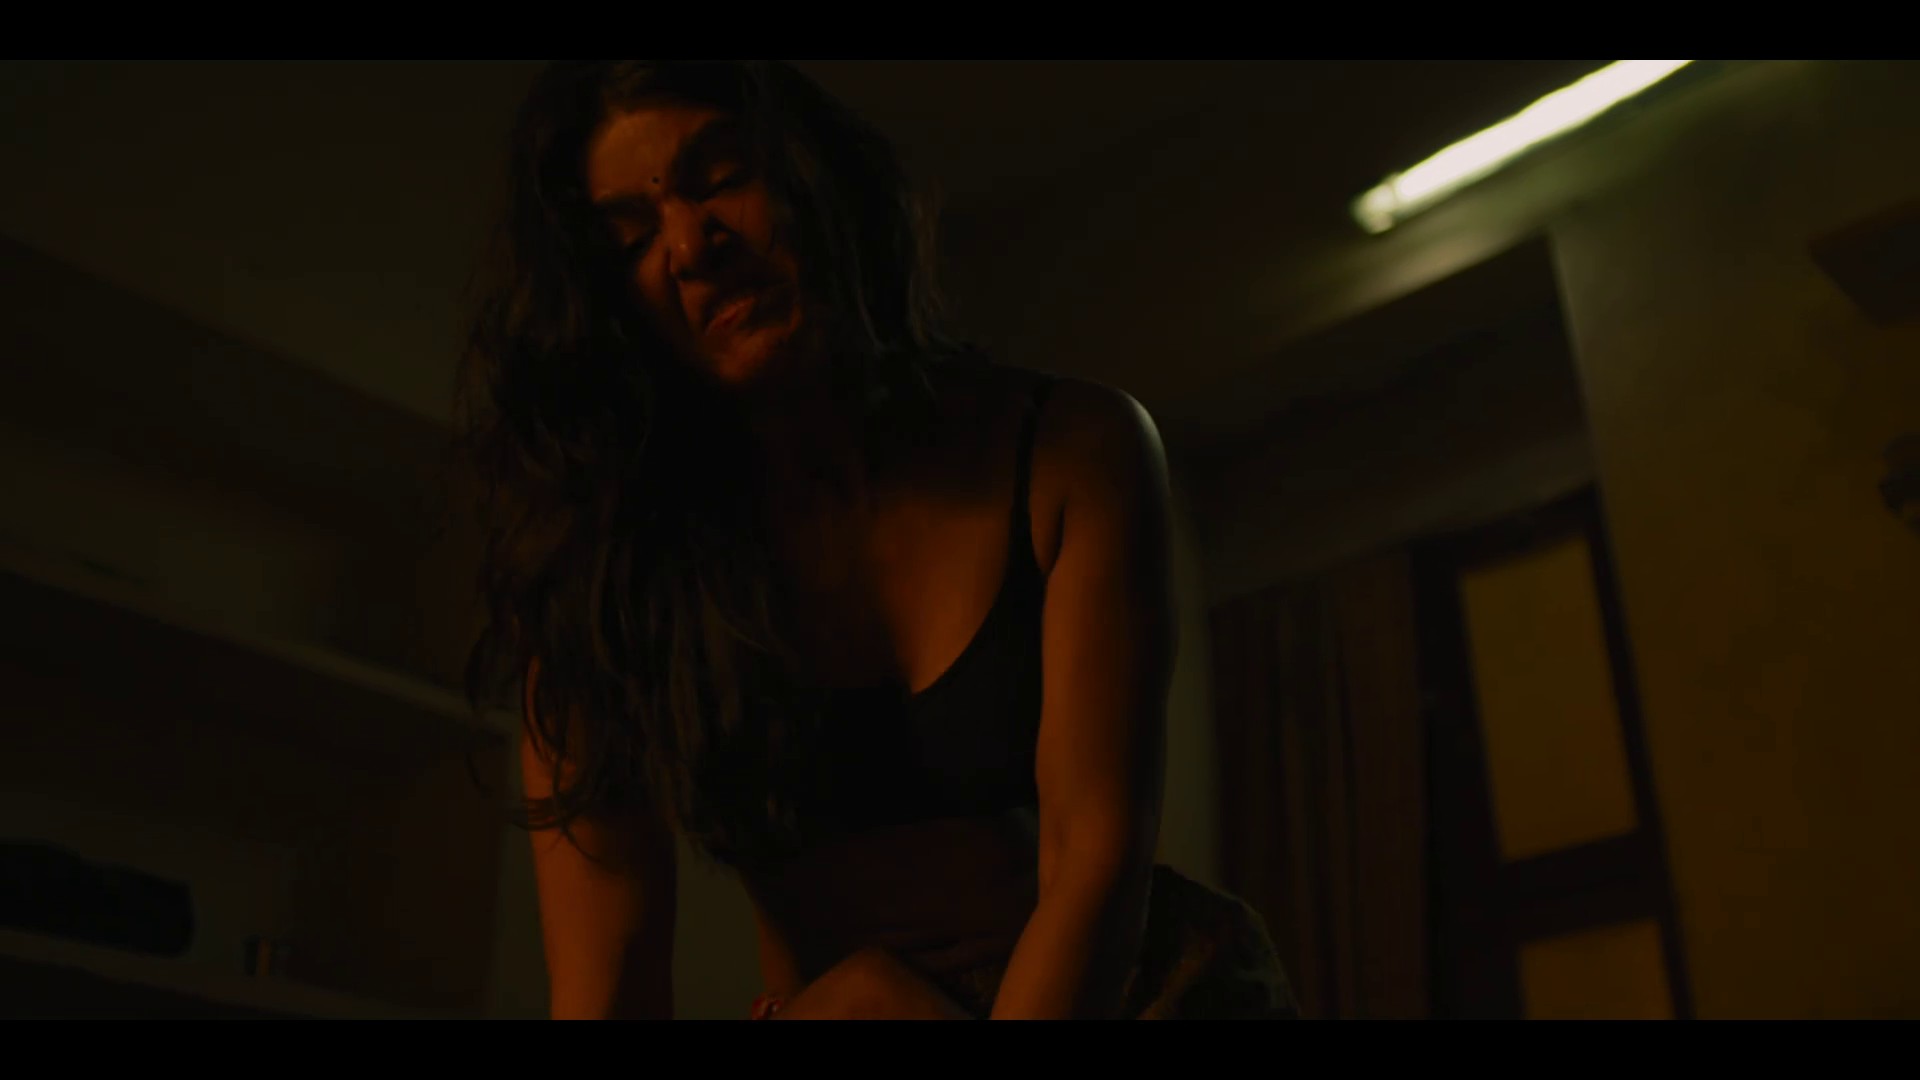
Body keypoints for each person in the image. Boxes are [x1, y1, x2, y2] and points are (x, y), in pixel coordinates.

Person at [459, 60, 1294, 1020]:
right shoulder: (599, 590)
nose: (692, 246)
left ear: (812, 173)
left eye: (721, 176)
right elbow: (605, 994)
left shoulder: (1073, 453)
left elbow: (1093, 861)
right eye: (634, 238)